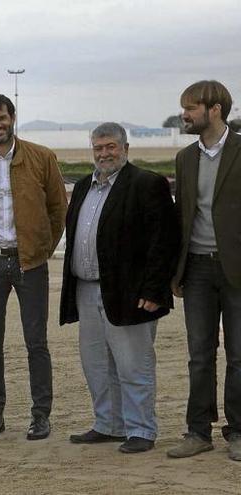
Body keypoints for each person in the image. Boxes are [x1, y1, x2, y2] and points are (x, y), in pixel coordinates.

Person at [60, 122, 179, 454]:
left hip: (130, 292)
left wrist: (155, 290)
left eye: (111, 146)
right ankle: (109, 424)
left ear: (126, 148)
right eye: (98, 148)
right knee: (96, 364)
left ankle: (141, 429)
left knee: (133, 364)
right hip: (86, 289)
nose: (104, 153)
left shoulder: (147, 184)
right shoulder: (84, 186)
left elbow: (163, 241)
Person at [0, 94, 67, 440]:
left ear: (13, 117)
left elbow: (57, 209)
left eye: (2, 118)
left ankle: (40, 415)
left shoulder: (41, 157)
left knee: (36, 342)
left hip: (31, 262)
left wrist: (43, 247)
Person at [167, 80, 241, 460]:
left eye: (191, 108)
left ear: (215, 110)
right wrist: (174, 273)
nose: (184, 114)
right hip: (195, 269)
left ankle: (239, 431)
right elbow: (183, 215)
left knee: (239, 354)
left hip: (237, 272)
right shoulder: (185, 158)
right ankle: (198, 431)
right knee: (199, 354)